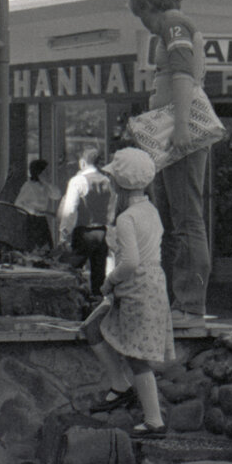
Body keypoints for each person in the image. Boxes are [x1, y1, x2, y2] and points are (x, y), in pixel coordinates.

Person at [128, 0, 211, 330]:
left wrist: (179, 126)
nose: (145, 25)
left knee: (186, 218)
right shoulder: (177, 26)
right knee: (179, 215)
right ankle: (183, 300)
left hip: (179, 128)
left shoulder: (174, 24)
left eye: (142, 16)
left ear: (149, 6)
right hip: (174, 126)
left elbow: (181, 74)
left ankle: (190, 303)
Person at [80, 148, 173, 438]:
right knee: (92, 327)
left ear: (118, 183)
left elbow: (131, 261)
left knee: (136, 356)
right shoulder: (150, 211)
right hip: (150, 284)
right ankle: (120, 386)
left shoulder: (128, 218)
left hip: (136, 288)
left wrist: (109, 282)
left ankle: (154, 420)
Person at [55, 144, 113, 297]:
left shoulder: (77, 181)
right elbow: (112, 210)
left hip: (84, 231)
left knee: (70, 270)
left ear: (82, 162)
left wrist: (64, 234)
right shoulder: (108, 181)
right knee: (99, 275)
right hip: (102, 232)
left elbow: (70, 210)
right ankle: (96, 307)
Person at [12, 158, 59, 247]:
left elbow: (57, 195)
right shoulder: (29, 186)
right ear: (39, 173)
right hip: (32, 220)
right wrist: (34, 211)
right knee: (34, 246)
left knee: (46, 246)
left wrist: (47, 183)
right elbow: (18, 204)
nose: (48, 174)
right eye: (46, 172)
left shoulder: (45, 186)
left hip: (42, 220)